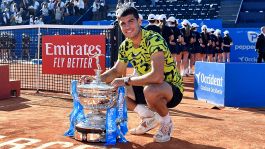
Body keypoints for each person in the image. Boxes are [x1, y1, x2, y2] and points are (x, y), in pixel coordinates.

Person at [83, 6, 183, 143]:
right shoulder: (125, 46)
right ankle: (147, 117)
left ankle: (166, 122)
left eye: (131, 21)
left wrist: (125, 80)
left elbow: (157, 77)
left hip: (170, 89)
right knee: (115, 89)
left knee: (150, 90)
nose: (127, 26)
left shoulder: (153, 39)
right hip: (146, 86)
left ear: (139, 22)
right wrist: (96, 79)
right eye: (123, 23)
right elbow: (117, 71)